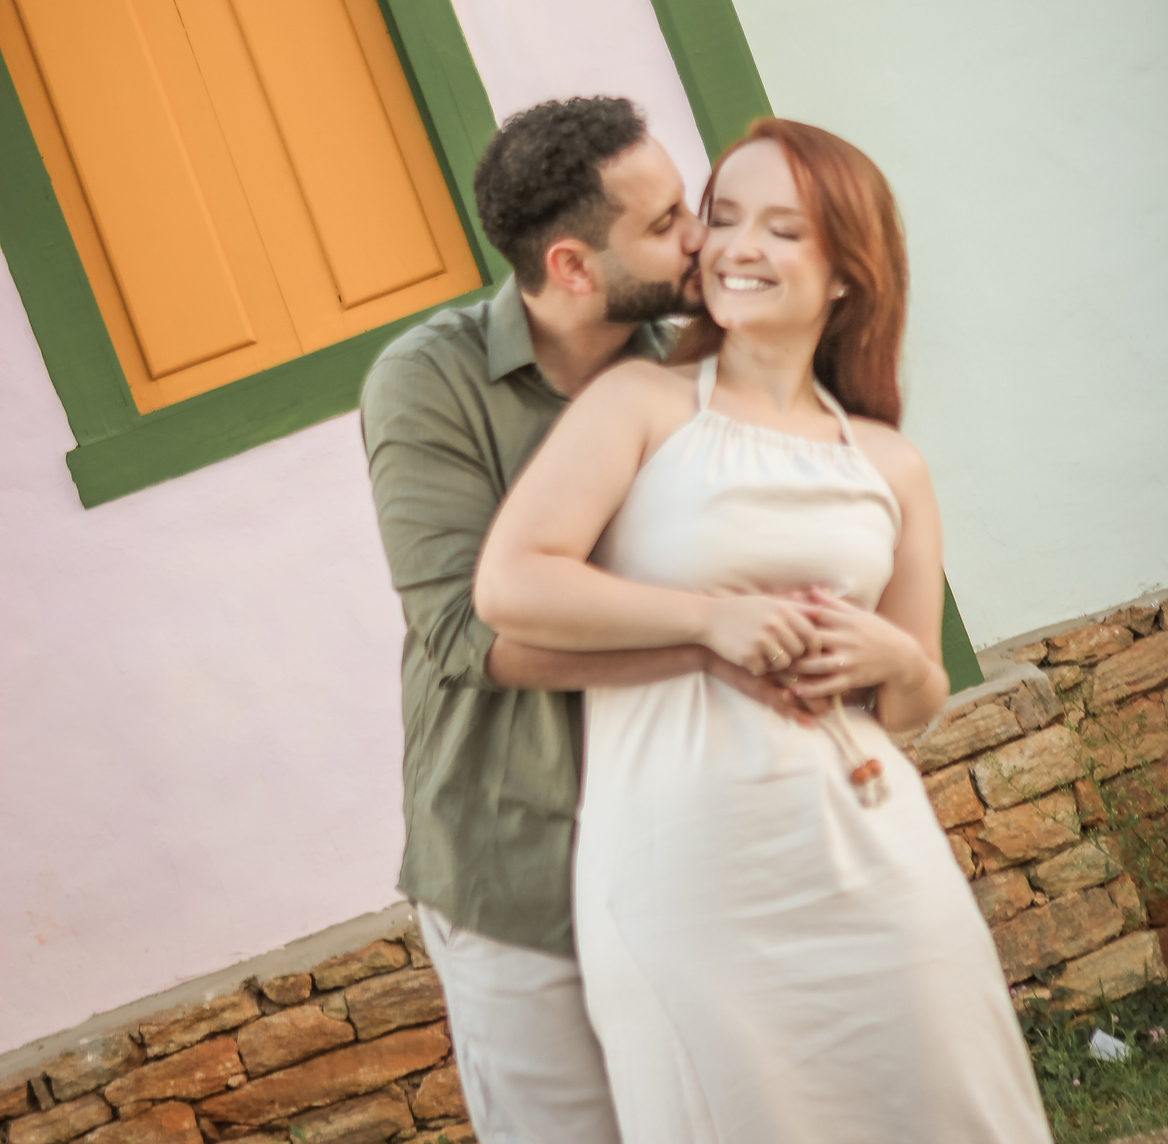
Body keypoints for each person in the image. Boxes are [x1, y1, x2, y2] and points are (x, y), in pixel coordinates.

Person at [476, 117, 1053, 1144]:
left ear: (848, 274)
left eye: (783, 230)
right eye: (725, 216)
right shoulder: (640, 404)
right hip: (686, 875)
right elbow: (511, 585)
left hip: (872, 856)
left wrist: (894, 657)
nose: (737, 247)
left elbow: (913, 704)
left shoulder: (887, 463)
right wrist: (713, 620)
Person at [361, 96, 811, 1144]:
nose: (699, 236)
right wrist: (705, 639)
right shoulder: (428, 383)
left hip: (700, 839)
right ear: (571, 266)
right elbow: (468, 636)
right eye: (663, 224)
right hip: (521, 860)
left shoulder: (706, 362)